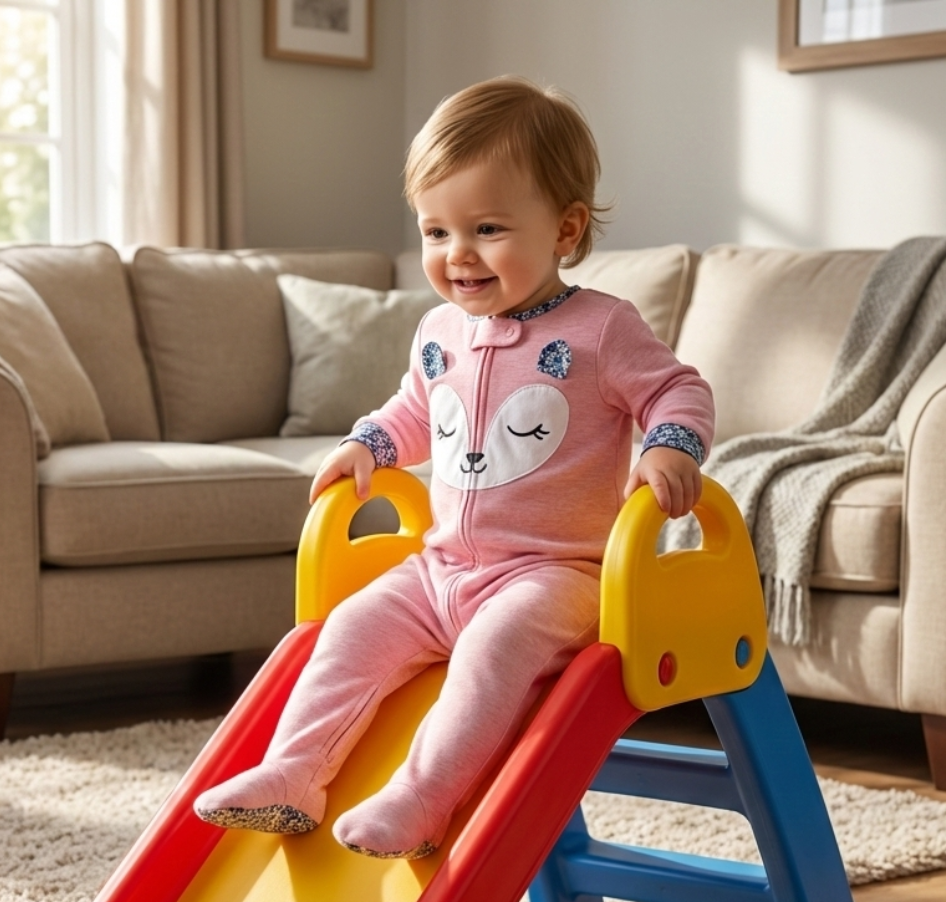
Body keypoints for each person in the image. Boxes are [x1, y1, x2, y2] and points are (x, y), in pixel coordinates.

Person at [194, 76, 715, 859]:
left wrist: (670, 446)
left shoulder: (602, 330)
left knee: (492, 654)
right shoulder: (438, 330)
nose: (457, 254)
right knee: (351, 629)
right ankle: (293, 774)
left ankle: (422, 799)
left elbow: (679, 389)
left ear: (566, 228)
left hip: (554, 576)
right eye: (435, 231)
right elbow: (416, 410)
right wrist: (370, 444)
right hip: (441, 569)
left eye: (487, 228)